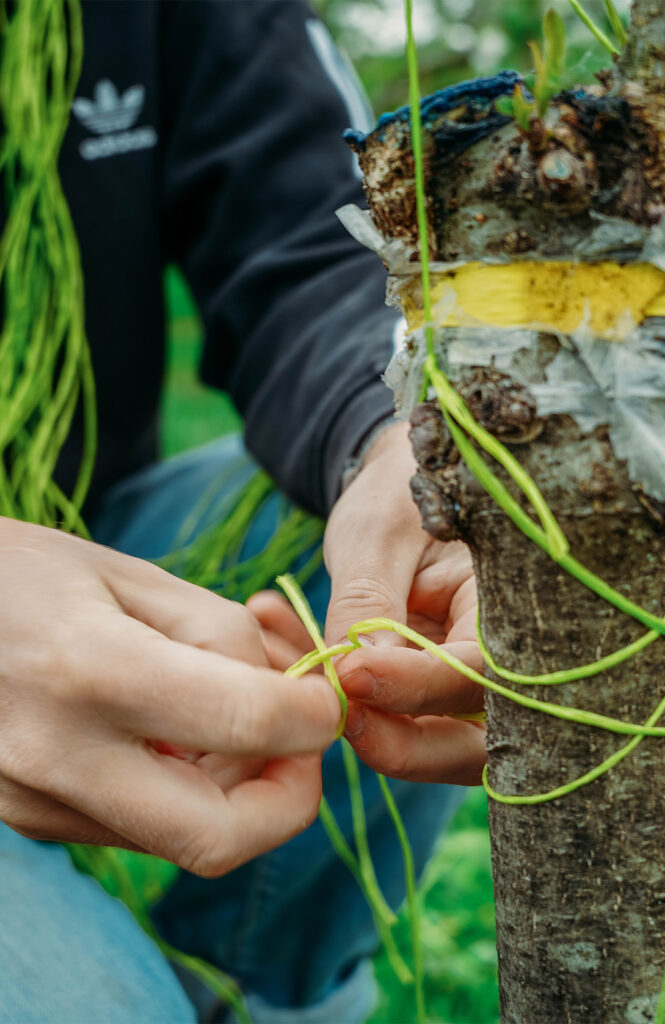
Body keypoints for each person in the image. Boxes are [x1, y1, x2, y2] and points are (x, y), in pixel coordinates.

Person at [0, 2, 485, 1021]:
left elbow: (318, 240)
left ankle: (250, 990)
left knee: (418, 529)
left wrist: (404, 443)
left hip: (93, 525)